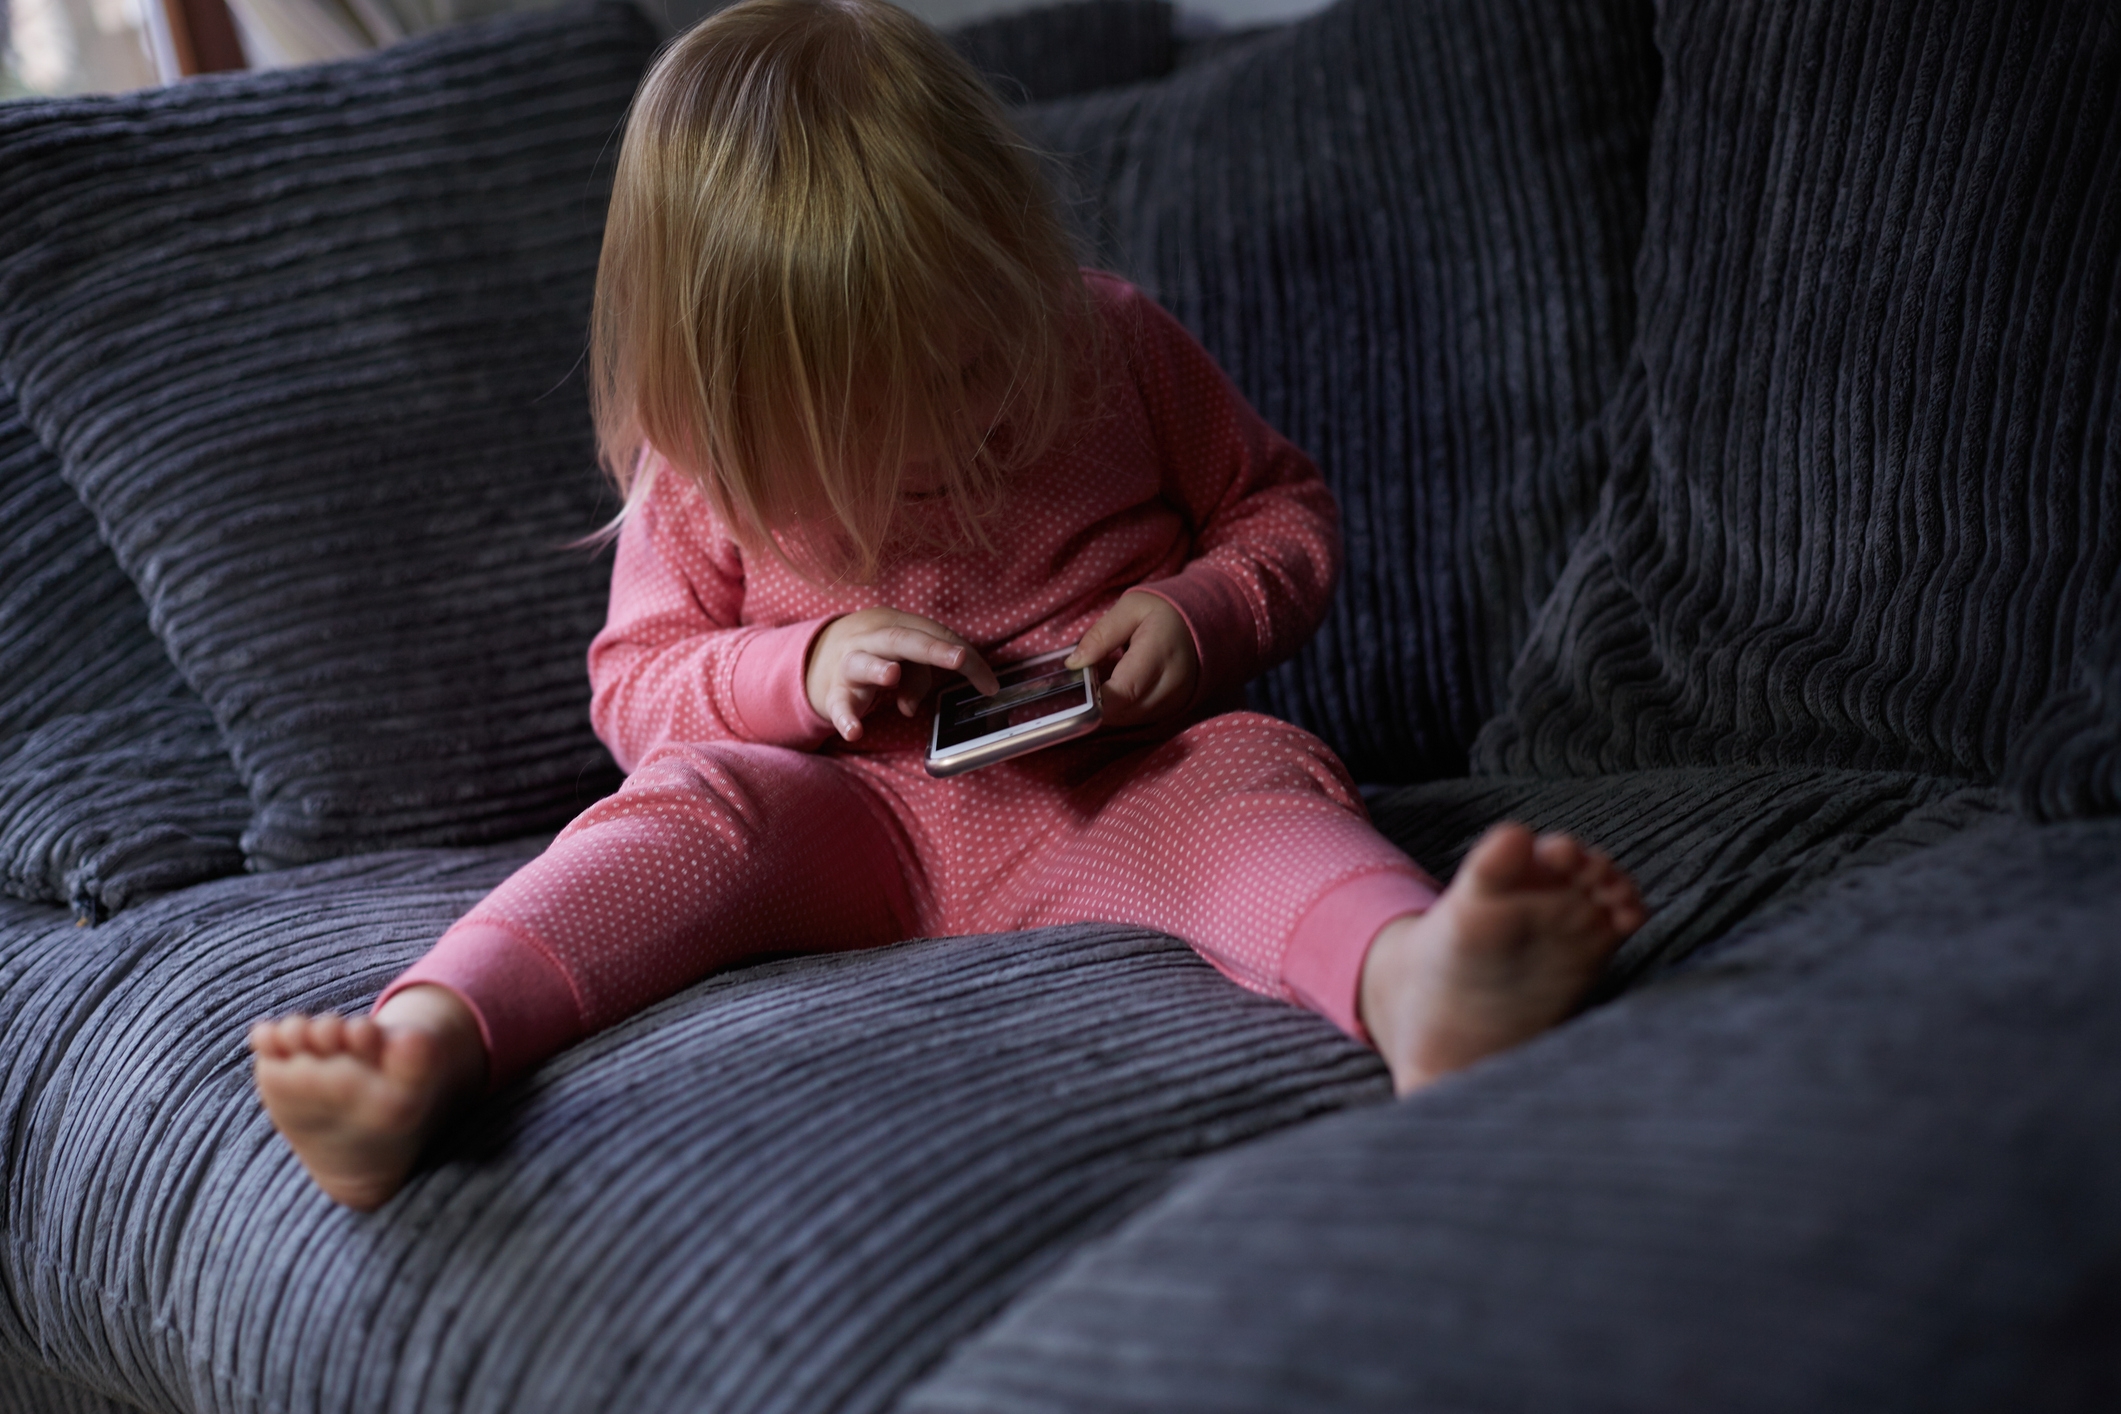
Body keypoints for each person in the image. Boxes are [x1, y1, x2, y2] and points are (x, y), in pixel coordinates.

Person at [250, 0, 1647, 1212]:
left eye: (970, 370)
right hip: (838, 822)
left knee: (1249, 780)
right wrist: (798, 668)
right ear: (724, 393)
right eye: (860, 419)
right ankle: (424, 1043)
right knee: (680, 814)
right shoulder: (704, 467)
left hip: (1110, 786)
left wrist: (1201, 611)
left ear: (1010, 261)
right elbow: (636, 685)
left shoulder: (1113, 342)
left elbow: (1280, 512)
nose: (934, 439)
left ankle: (1414, 983)